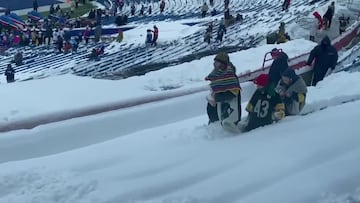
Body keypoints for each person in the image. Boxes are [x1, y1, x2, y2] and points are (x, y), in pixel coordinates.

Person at [205, 52, 241, 132]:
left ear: (222, 63)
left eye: (216, 62)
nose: (214, 64)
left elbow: (232, 93)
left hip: (229, 110)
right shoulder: (218, 73)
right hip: (220, 107)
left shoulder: (229, 75)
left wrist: (216, 98)